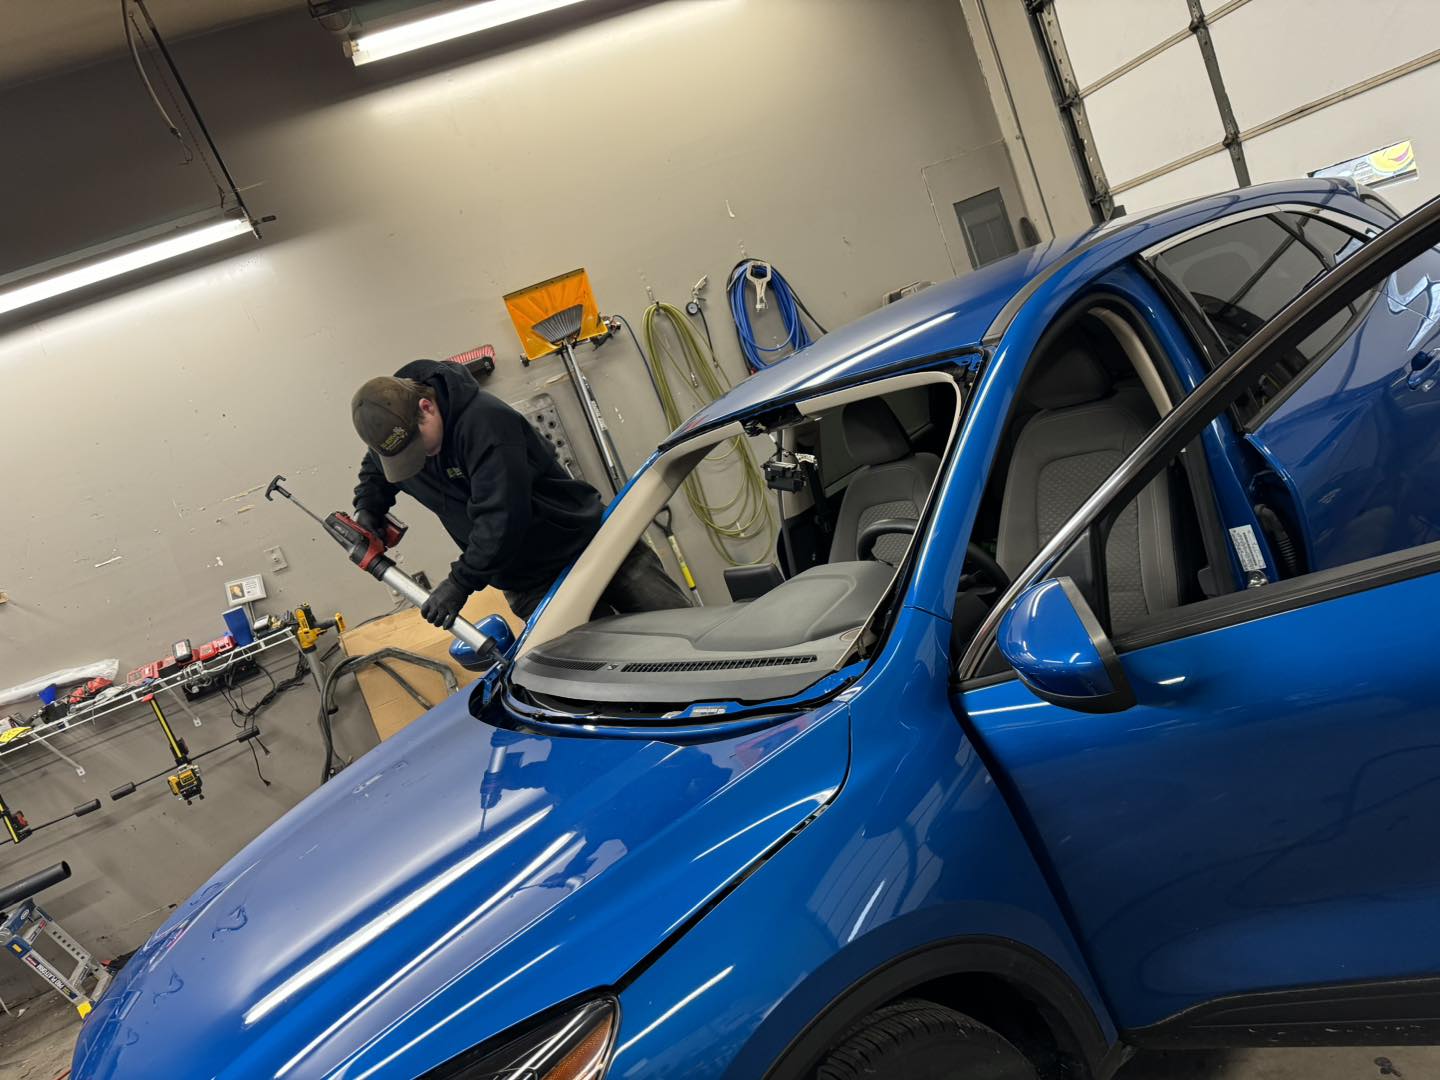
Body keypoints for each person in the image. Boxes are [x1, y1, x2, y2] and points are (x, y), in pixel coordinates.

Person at [351, 359, 688, 625]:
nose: (418, 458)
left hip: (592, 550)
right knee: (602, 682)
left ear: (426, 407)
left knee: (680, 637)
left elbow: (502, 516)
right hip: (530, 585)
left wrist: (459, 583)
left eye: (416, 445)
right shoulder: (397, 440)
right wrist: (368, 508)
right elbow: (374, 472)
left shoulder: (485, 422)